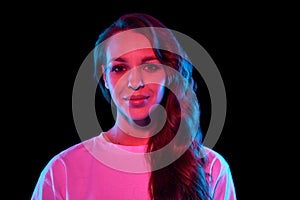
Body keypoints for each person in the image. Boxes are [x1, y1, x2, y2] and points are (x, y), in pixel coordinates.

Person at [31, 13, 237, 200]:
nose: (135, 82)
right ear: (105, 78)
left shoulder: (211, 167)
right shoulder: (63, 170)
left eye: (149, 66)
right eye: (119, 68)